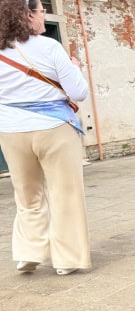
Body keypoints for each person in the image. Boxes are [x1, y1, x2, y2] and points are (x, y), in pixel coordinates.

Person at [0, 0, 90, 276]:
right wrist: (74, 67)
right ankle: (66, 260)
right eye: (42, 11)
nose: (44, 16)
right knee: (65, 193)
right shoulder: (50, 46)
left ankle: (28, 253)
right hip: (54, 128)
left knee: (27, 195)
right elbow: (78, 92)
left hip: (11, 130)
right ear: (28, 14)